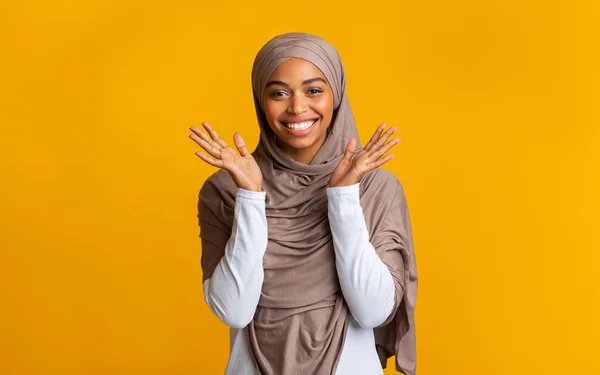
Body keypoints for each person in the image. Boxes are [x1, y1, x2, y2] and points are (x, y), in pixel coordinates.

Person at [189, 32, 418, 375]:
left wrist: (342, 198)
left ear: (336, 95)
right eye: (279, 93)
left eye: (314, 90)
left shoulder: (375, 187)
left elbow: (372, 311)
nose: (297, 107)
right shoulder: (226, 188)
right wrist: (251, 197)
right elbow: (234, 310)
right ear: (260, 100)